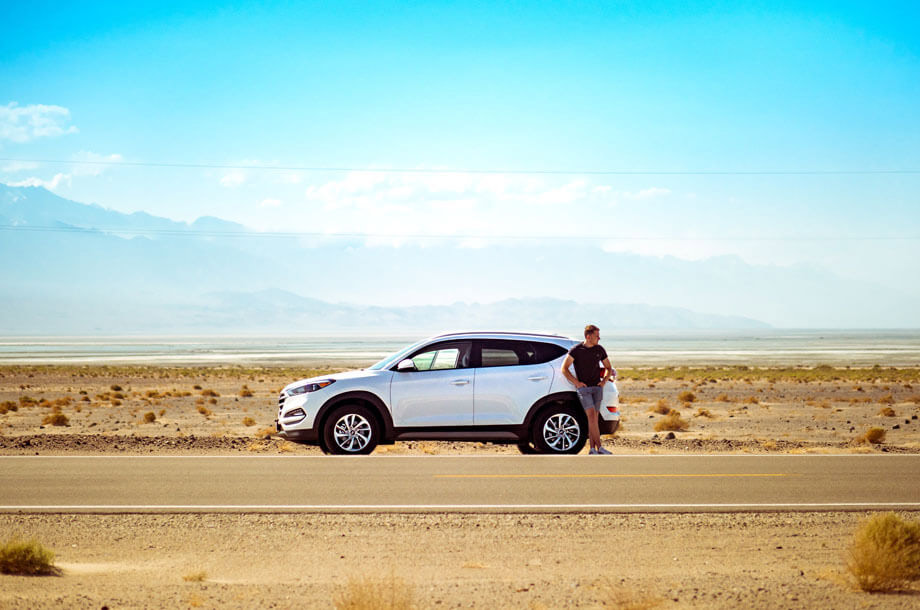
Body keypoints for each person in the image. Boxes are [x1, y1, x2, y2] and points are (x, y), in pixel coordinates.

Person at [560, 324, 615, 455]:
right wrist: (577, 383)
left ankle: (594, 449)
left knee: (594, 418)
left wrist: (603, 382)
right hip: (584, 390)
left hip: (597, 388)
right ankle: (597, 448)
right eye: (597, 336)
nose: (599, 338)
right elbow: (564, 368)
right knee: (591, 416)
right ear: (588, 336)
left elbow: (608, 367)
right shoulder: (576, 350)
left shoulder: (599, 349)